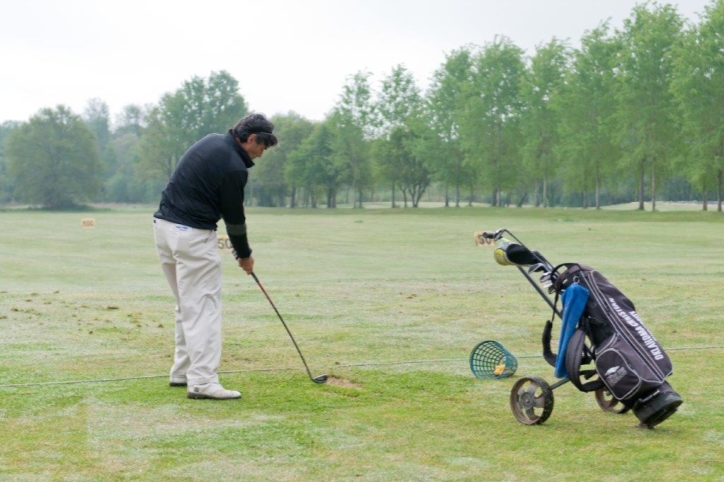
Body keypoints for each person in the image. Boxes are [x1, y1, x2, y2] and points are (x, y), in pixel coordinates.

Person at [152, 113, 278, 400]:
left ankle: (183, 371)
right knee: (204, 308)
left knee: (187, 304)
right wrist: (244, 255)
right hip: (192, 236)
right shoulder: (235, 167)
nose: (262, 153)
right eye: (263, 146)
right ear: (250, 139)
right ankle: (203, 381)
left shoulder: (211, 141)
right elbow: (234, 219)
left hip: (163, 229)